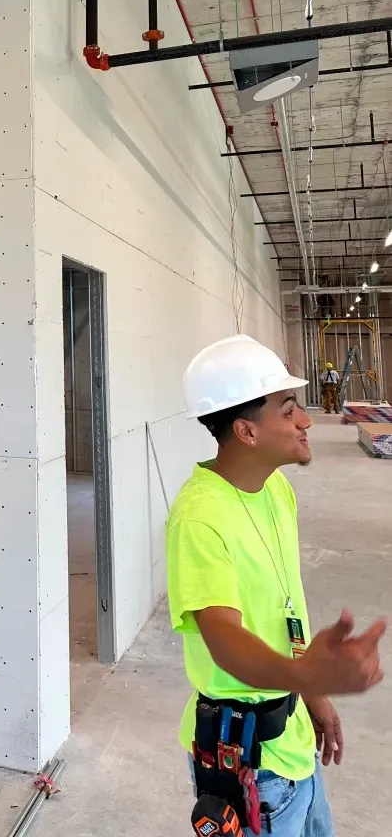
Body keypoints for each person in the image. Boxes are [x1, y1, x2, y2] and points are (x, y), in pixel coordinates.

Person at [167, 335, 386, 837]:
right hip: (251, 768)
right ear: (246, 431)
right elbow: (224, 640)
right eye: (288, 411)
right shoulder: (200, 517)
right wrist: (308, 673)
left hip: (291, 742)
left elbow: (285, 610)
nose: (307, 421)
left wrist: (312, 695)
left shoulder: (276, 491)